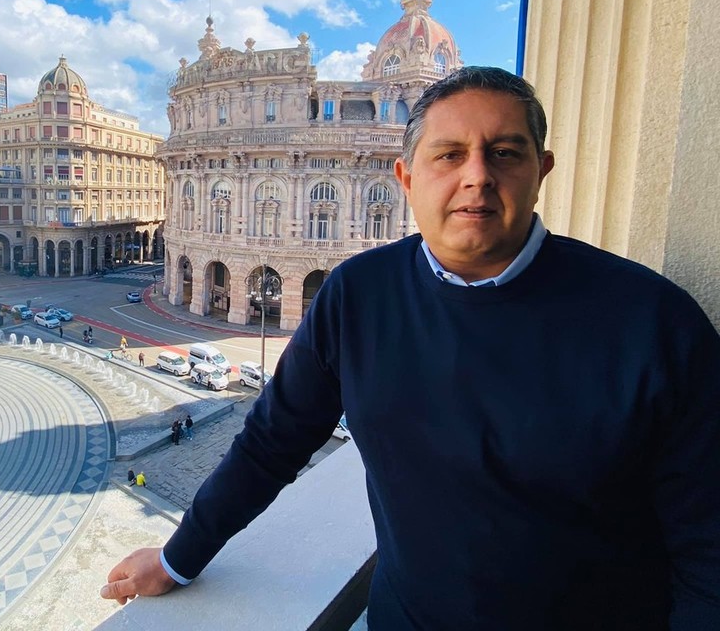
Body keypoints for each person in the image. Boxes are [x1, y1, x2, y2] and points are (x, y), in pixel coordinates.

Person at [100, 67, 720, 628]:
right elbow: (272, 442)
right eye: (449, 155)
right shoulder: (358, 293)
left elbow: (707, 546)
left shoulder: (653, 322)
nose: (477, 176)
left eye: (505, 152)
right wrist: (180, 558)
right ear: (406, 178)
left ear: (541, 172)